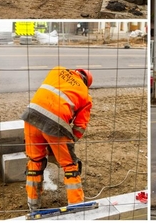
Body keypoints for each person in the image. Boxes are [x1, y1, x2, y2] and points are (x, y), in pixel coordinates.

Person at [20, 67, 93, 211]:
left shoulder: (57, 70)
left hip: (31, 116)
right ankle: (76, 206)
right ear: (86, 83)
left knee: (35, 161)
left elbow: (48, 98)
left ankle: (33, 206)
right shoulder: (85, 95)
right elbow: (79, 127)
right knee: (70, 165)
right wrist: (66, 145)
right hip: (56, 123)